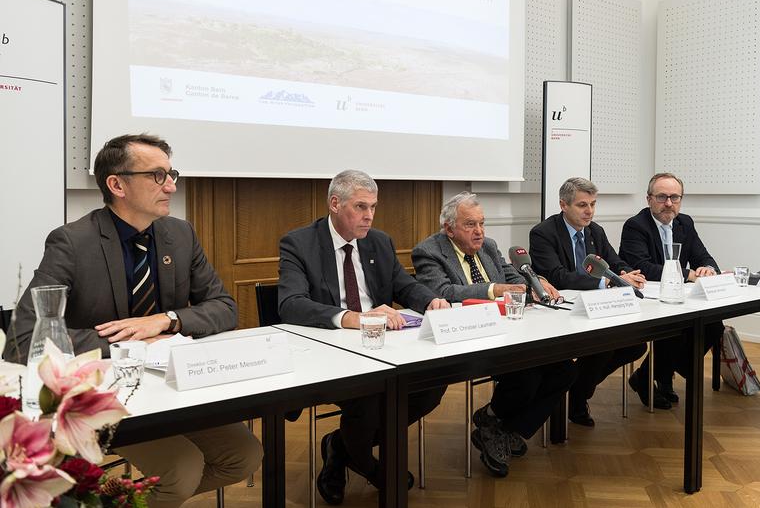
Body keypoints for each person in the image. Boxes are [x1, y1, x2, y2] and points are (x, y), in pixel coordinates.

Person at [3, 134, 263, 508]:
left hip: (173, 384)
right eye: (158, 175)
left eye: (171, 173)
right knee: (182, 468)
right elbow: (23, 338)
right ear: (117, 184)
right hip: (105, 395)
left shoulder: (180, 234)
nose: (171, 185)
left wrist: (167, 320)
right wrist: (128, 344)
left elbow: (224, 307)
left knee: (245, 456)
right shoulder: (72, 243)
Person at [278, 169, 449, 505]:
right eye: (360, 207)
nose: (369, 215)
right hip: (330, 350)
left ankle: (339, 447)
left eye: (373, 207)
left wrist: (430, 300)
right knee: (370, 397)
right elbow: (291, 304)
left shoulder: (379, 241)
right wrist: (353, 318)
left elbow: (404, 284)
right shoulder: (299, 242)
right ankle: (370, 465)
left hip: (383, 346)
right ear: (334, 204)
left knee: (432, 384)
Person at [412, 192, 576, 478]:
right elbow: (442, 292)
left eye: (482, 224)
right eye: (470, 225)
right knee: (527, 373)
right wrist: (492, 289)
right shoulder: (429, 251)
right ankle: (498, 424)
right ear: (449, 228)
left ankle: (497, 425)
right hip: (465, 337)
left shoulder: (488, 246)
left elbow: (511, 277)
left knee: (562, 369)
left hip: (507, 329)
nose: (479, 232)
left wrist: (536, 283)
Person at [528, 177, 653, 425]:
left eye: (593, 204)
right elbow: (556, 276)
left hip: (597, 309)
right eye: (582, 205)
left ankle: (576, 392)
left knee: (634, 346)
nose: (589, 211)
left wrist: (628, 274)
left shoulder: (595, 231)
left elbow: (615, 262)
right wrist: (606, 282)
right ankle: (575, 397)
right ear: (564, 205)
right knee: (603, 345)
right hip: (563, 310)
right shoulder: (543, 233)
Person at [619, 172, 725, 404]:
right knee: (674, 324)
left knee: (714, 325)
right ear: (649, 199)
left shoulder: (684, 222)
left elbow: (702, 255)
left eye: (675, 197)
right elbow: (642, 266)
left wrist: (707, 268)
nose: (669, 203)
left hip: (675, 294)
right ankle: (654, 376)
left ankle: (660, 372)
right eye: (662, 197)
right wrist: (687, 274)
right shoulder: (636, 226)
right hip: (646, 296)